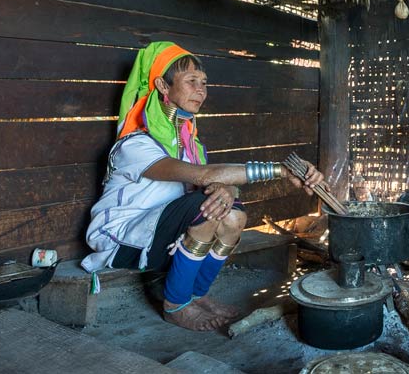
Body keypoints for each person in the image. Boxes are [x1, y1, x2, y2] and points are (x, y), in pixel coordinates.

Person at [81, 41, 323, 331]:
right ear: (162, 85)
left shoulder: (189, 145)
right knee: (205, 209)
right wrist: (283, 171)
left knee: (234, 214)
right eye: (191, 81)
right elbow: (204, 176)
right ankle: (176, 305)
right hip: (120, 240)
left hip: (159, 231)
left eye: (204, 83)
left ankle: (197, 295)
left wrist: (226, 190)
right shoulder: (135, 145)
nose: (201, 90)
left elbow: (211, 180)